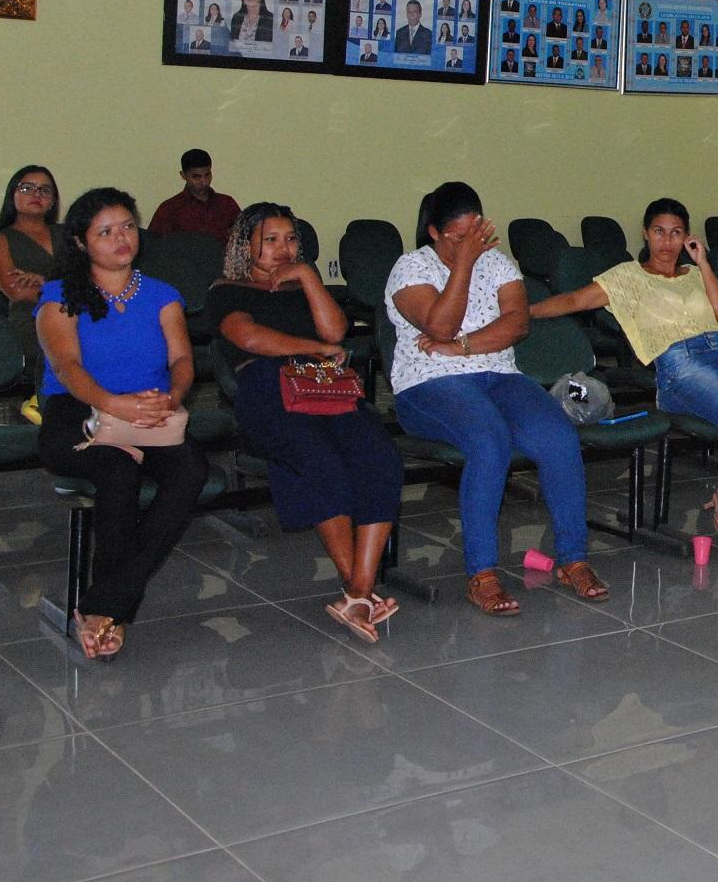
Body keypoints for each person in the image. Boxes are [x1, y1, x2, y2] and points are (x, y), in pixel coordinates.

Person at [533, 198, 718, 565]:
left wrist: (704, 264)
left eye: (676, 233)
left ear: (687, 238)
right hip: (682, 370)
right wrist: (522, 313)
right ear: (646, 234)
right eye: (659, 232)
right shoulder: (626, 277)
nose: (667, 241)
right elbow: (574, 300)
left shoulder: (696, 275)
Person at [385, 183, 608, 614]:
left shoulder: (500, 263)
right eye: (458, 237)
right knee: (490, 442)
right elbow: (440, 326)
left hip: (498, 375)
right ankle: (482, 574)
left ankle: (573, 559)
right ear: (433, 231)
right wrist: (464, 266)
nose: (470, 244)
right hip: (429, 384)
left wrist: (464, 346)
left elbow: (517, 324)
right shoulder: (409, 268)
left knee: (559, 437)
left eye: (476, 234)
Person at [208, 203, 404, 643]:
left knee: (380, 457)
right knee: (321, 462)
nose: (284, 249)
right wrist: (311, 349)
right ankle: (357, 585)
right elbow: (249, 337)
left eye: (291, 239)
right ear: (245, 245)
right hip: (266, 389)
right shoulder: (227, 289)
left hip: (325, 386)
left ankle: (359, 590)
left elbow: (335, 332)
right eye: (271, 240)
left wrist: (310, 279)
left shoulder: (301, 284)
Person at [36, 188, 207, 660]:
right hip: (78, 412)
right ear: (81, 242)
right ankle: (110, 612)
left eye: (128, 226)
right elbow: (68, 368)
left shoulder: (162, 295)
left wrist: (171, 399)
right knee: (117, 470)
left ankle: (106, 602)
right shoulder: (59, 297)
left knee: (191, 468)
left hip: (150, 409)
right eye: (106, 231)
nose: (121, 238)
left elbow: (183, 359)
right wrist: (115, 406)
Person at [0, 165, 61, 407]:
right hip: (31, 319)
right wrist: (65, 289)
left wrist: (44, 283)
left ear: (52, 201)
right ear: (12, 195)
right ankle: (50, 412)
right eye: (27, 188)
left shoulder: (70, 234)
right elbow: (19, 293)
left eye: (44, 190)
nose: (36, 194)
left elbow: (94, 281)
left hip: (82, 312)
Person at [148, 148, 240, 242]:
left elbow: (244, 238)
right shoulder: (169, 209)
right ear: (183, 175)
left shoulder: (227, 204)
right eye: (196, 177)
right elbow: (153, 245)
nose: (203, 181)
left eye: (207, 175)